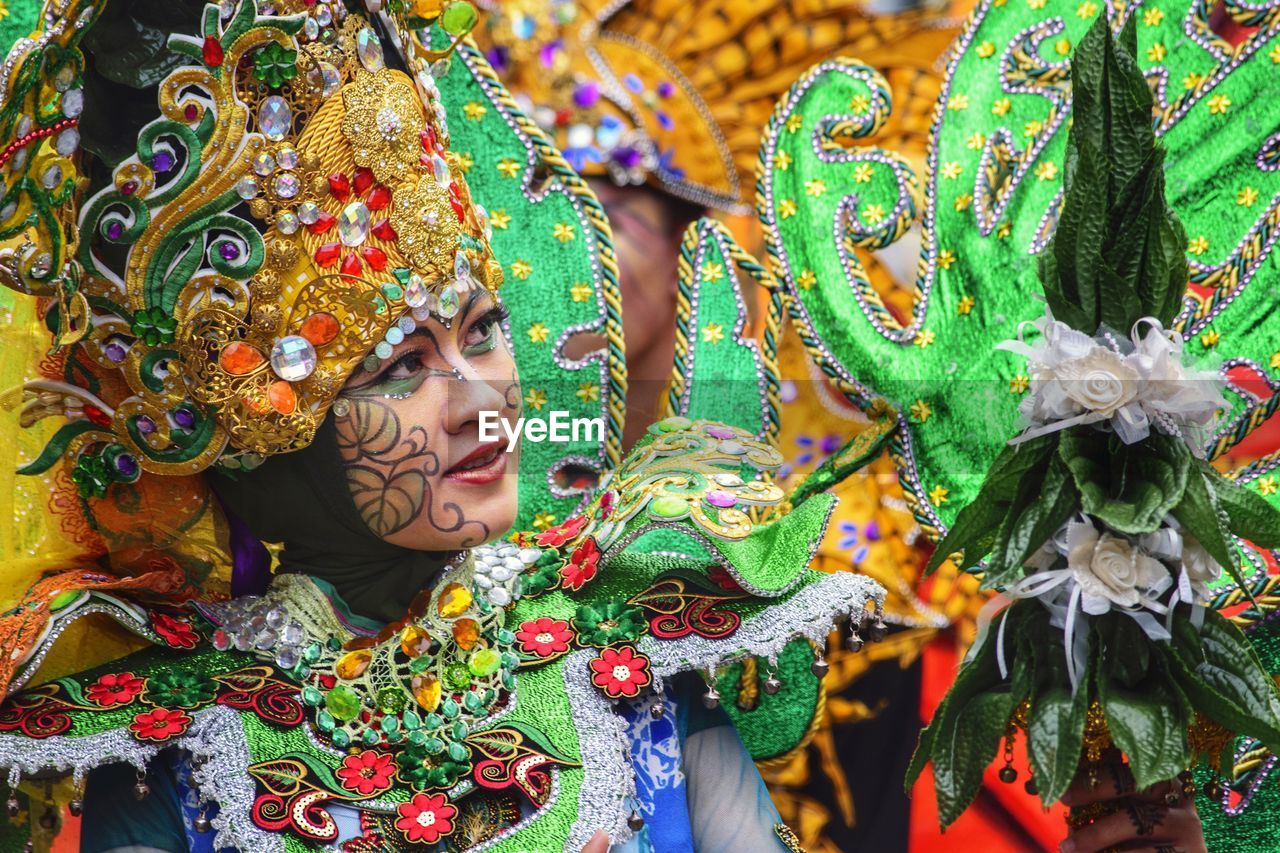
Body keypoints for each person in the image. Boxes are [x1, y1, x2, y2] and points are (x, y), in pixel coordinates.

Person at [0, 0, 885, 850]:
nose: (479, 398)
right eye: (401, 368)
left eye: (483, 332)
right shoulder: (172, 744)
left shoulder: (631, 660)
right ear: (269, 438)